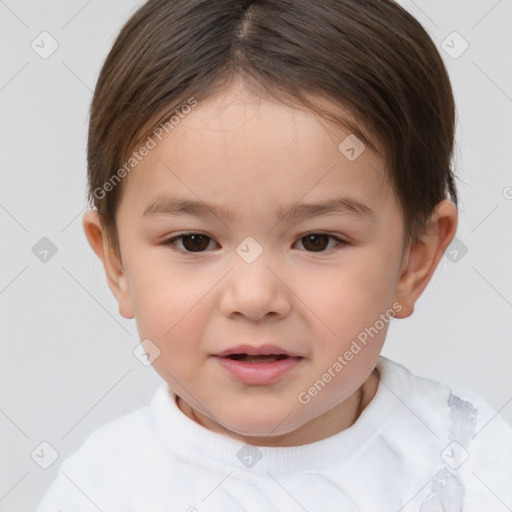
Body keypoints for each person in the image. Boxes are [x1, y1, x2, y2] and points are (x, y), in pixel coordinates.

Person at [37, 0, 512, 510]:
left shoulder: (476, 467)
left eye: (317, 241)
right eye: (194, 241)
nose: (255, 298)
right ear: (116, 263)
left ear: (414, 260)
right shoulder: (100, 492)